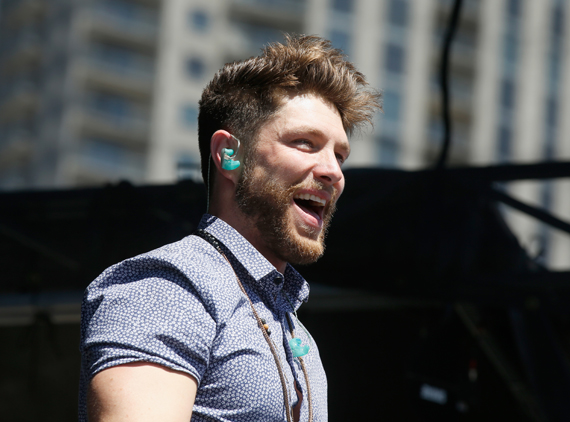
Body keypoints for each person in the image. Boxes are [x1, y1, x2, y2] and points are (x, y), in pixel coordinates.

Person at [79, 34, 381, 422]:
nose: (333, 172)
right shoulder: (170, 288)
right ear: (229, 155)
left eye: (339, 155)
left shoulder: (297, 332)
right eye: (305, 143)